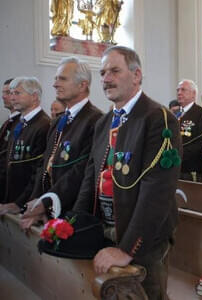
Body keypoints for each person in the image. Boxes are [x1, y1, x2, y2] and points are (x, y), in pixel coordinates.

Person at [73, 46, 181, 300]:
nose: (106, 79)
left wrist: (127, 248)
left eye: (114, 71)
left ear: (136, 75)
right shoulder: (104, 122)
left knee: (147, 295)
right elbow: (92, 178)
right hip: (107, 227)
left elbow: (157, 191)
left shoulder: (158, 118)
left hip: (144, 236)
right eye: (102, 73)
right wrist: (74, 222)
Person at [6, 57, 103, 227]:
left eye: (62, 79)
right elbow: (45, 165)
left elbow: (81, 171)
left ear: (82, 85)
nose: (55, 84)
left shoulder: (95, 120)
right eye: (56, 78)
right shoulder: (59, 121)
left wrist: (46, 203)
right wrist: (35, 200)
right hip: (47, 211)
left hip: (70, 212)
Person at [0, 77, 50, 205]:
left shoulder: (44, 125)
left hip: (26, 202)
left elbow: (38, 170)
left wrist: (20, 203)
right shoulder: (20, 123)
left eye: (17, 93)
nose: (12, 98)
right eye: (11, 93)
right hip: (9, 198)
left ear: (34, 96)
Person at [177, 79, 202, 182]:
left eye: (183, 90)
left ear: (193, 94)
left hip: (191, 169)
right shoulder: (175, 114)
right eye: (178, 90)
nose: (179, 93)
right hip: (176, 167)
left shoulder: (201, 113)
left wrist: (179, 154)